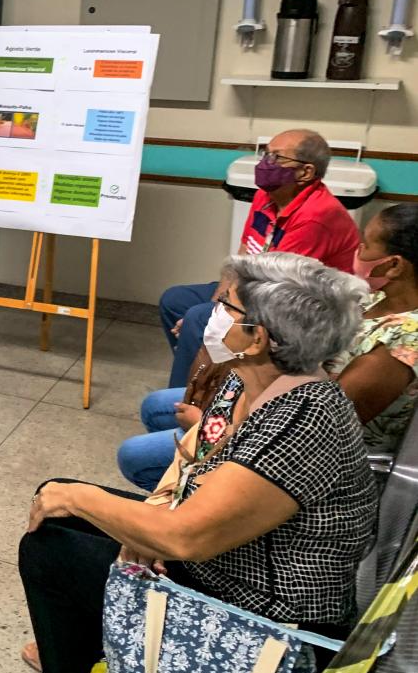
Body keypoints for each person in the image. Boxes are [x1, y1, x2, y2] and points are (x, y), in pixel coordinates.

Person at [19, 252, 376, 673]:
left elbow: (186, 538)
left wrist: (81, 498)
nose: (212, 308)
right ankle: (99, 667)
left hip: (270, 626)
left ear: (259, 337)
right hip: (228, 565)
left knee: (52, 544)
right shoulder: (248, 382)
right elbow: (193, 464)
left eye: (227, 304)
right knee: (64, 521)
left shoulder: (305, 416)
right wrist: (146, 521)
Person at [120, 203, 418, 491]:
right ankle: (186, 480)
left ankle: (194, 494)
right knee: (157, 405)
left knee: (134, 456)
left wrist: (204, 427)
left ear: (394, 265)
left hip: (299, 453)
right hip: (275, 402)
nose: (357, 250)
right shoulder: (376, 298)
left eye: (365, 244)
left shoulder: (401, 344)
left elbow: (307, 433)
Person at [159, 129, 358, 388]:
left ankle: (186, 398)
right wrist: (219, 303)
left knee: (198, 318)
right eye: (265, 154)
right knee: (175, 300)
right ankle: (212, 380)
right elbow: (242, 255)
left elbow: (279, 290)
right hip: (259, 287)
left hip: (302, 310)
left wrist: (217, 315)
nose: (265, 163)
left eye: (276, 157)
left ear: (306, 172)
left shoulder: (316, 216)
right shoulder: (268, 195)